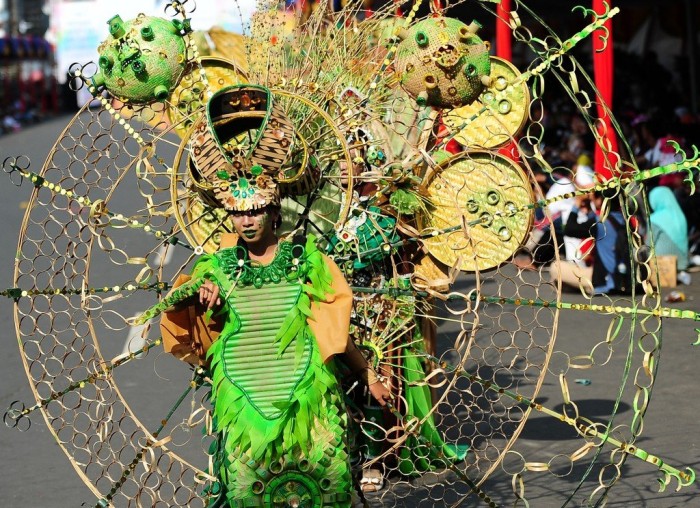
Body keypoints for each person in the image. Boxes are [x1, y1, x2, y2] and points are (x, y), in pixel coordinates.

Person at [152, 85, 391, 507]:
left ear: (275, 209)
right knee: (249, 497)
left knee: (328, 492)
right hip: (245, 404)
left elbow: (334, 331)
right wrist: (202, 299)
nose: (246, 220)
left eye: (255, 209)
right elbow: (183, 319)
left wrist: (368, 375)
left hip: (310, 403)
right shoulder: (217, 267)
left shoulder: (308, 262)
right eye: (238, 211)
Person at [647, 185, 691, 285]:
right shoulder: (679, 215)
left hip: (662, 262)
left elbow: (649, 243)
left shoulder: (654, 218)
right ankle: (680, 272)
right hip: (681, 261)